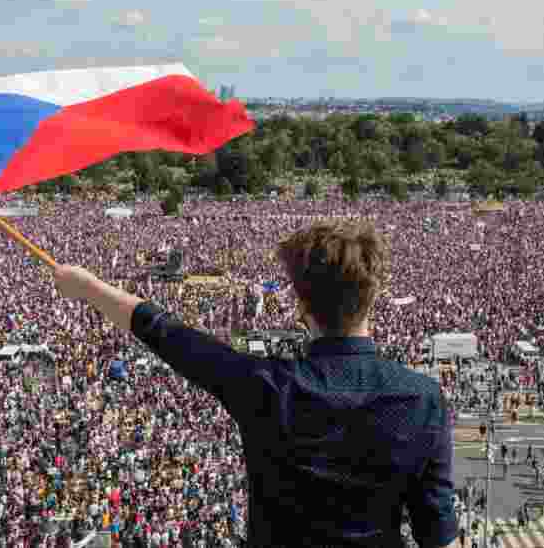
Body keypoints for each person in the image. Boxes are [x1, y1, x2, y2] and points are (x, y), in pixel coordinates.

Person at [54, 220, 458, 548]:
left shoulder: (266, 385)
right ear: (373, 297)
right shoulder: (422, 399)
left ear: (301, 304)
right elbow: (437, 534)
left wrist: (87, 287)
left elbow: (167, 333)